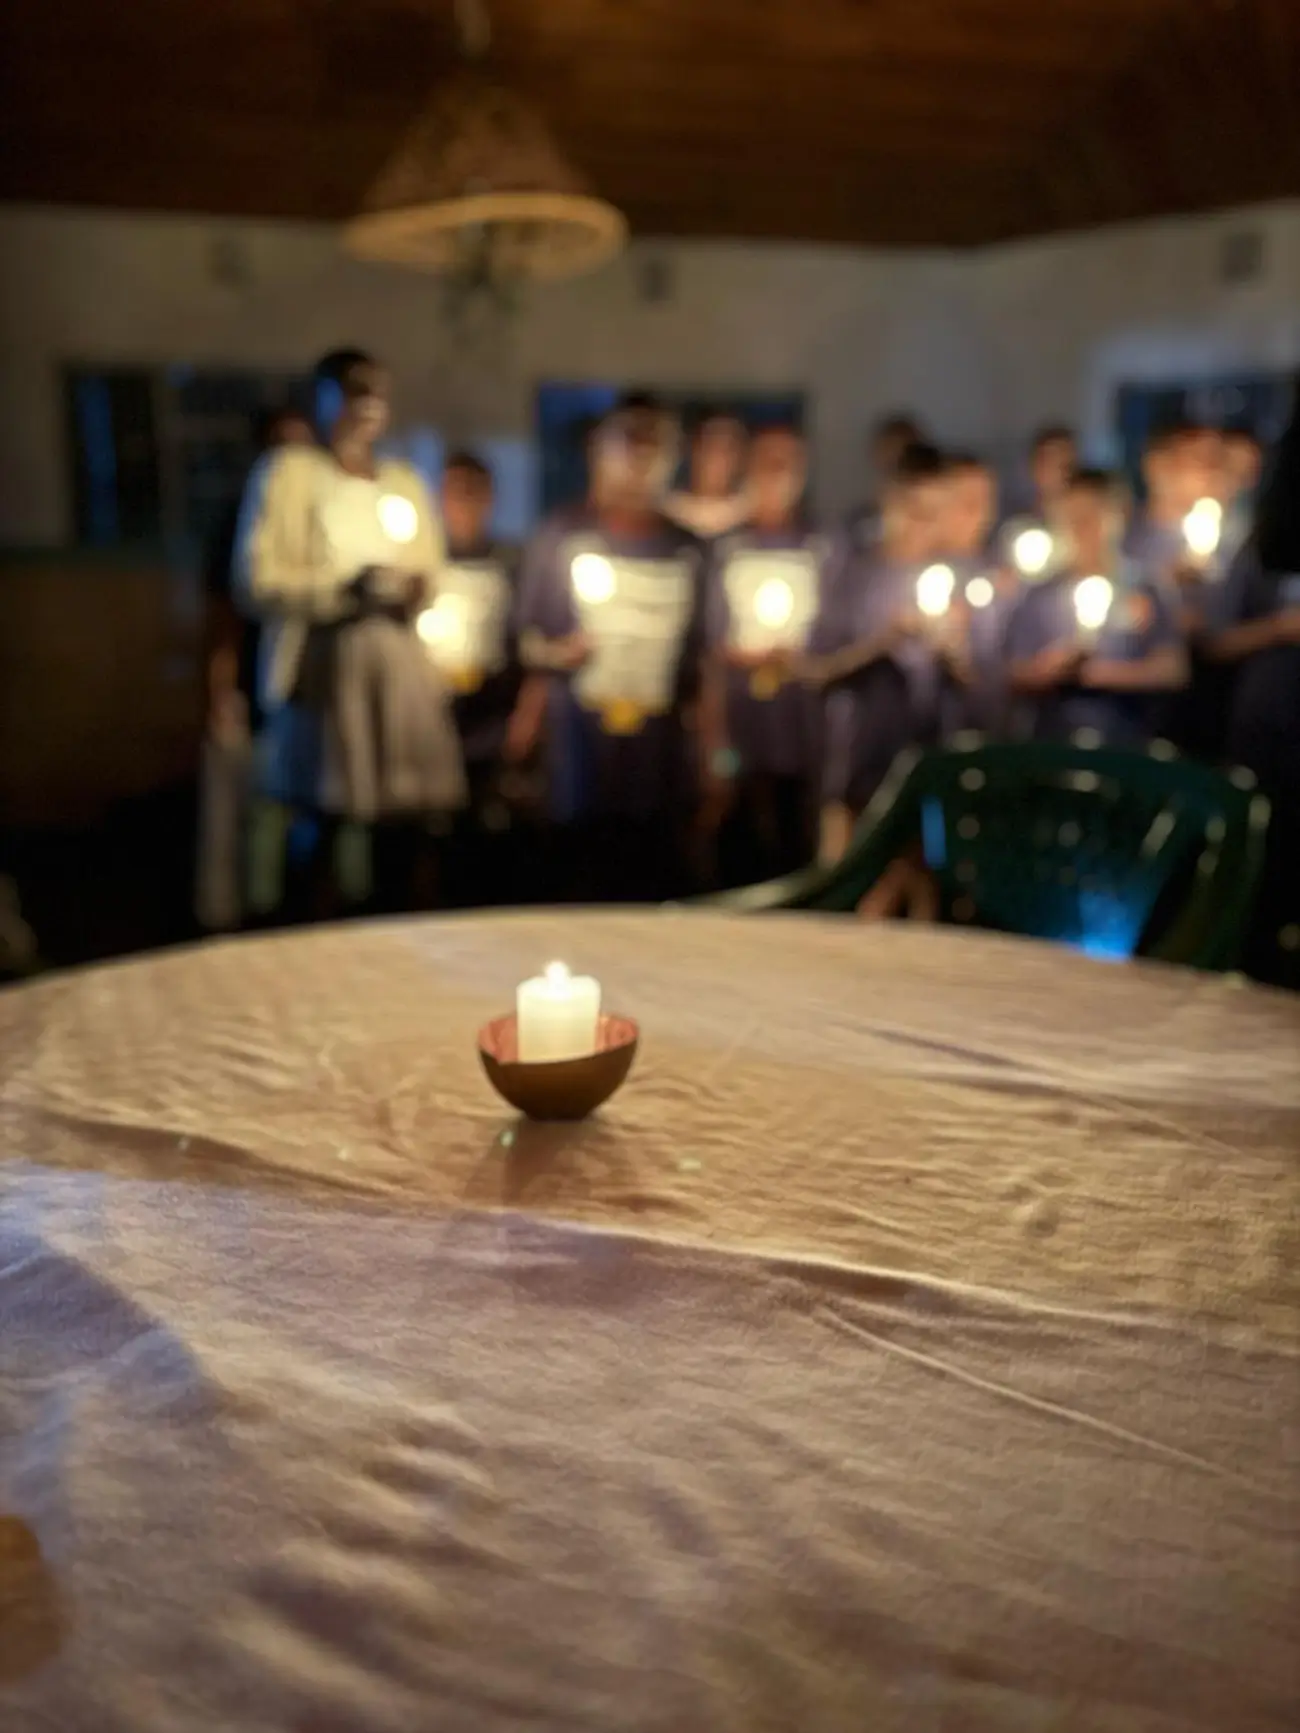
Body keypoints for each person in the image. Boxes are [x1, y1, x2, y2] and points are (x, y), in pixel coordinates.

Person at [235, 347, 464, 916]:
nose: (368, 405)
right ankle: (307, 926)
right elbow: (258, 579)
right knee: (324, 811)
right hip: (327, 666)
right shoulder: (291, 475)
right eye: (354, 390)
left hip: (398, 666)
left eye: (378, 392)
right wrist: (342, 588)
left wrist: (413, 587)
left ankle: (398, 924)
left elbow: (430, 567)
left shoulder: (401, 481)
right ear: (322, 397)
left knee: (404, 818)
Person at [512, 392, 706, 903]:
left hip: (658, 752)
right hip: (579, 746)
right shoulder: (562, 534)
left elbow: (702, 661)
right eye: (630, 438)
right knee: (579, 876)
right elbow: (528, 642)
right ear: (599, 448)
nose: (641, 454)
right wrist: (558, 657)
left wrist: (715, 754)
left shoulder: (686, 548)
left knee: (649, 874)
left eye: (656, 442)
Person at [196, 404, 313, 931]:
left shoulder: (320, 524)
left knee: (298, 819)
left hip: (307, 697)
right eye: (280, 449)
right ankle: (234, 923)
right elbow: (223, 618)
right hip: (254, 693)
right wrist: (220, 692)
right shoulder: (242, 523)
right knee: (243, 818)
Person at [809, 441, 954, 863]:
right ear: (888, 501)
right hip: (858, 763)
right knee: (847, 873)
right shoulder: (852, 574)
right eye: (913, 508)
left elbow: (984, 680)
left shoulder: (951, 579)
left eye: (934, 512)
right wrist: (882, 641)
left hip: (926, 760)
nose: (921, 524)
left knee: (921, 876)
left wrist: (952, 651)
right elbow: (816, 671)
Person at [699, 423, 829, 886]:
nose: (778, 473)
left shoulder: (822, 547)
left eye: (789, 463)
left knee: (796, 846)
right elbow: (711, 653)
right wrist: (715, 749)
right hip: (741, 733)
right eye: (767, 462)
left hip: (803, 734)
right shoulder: (725, 550)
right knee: (740, 846)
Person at [1203, 384, 1300, 989]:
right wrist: (1282, 629)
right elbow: (1214, 641)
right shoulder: (1262, 547)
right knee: (1263, 869)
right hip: (1272, 726)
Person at [1004, 469, 1186, 746]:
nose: (1082, 528)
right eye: (1070, 518)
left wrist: (1099, 673)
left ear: (1118, 515)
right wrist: (1052, 667)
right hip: (1055, 741)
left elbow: (1172, 670)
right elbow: (1015, 673)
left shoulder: (1146, 588)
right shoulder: (1038, 594)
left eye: (1093, 515)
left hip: (1126, 741)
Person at [424, 449, 525, 905]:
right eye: (453, 490)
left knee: (485, 833)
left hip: (489, 717)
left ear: (490, 498)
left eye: (473, 490)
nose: (462, 501)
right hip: (429, 717)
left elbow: (523, 643)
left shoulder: (510, 564)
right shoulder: (422, 566)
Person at [937, 453, 1012, 738]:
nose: (976, 510)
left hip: (994, 727)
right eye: (964, 499)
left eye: (985, 499)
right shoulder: (921, 575)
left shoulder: (1005, 575)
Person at [997, 425, 1076, 579]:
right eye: (1048, 462)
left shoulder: (1085, 526)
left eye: (1065, 465)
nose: (1057, 473)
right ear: (1033, 465)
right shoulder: (1011, 527)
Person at [844, 413, 926, 550]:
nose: (895, 460)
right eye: (889, 450)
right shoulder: (858, 524)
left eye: (903, 453)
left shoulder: (932, 522)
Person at [664, 410, 751, 539]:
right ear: (692, 448)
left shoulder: (750, 512)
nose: (718, 455)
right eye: (710, 442)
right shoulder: (667, 508)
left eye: (728, 446)